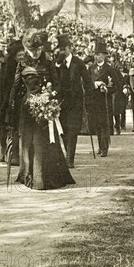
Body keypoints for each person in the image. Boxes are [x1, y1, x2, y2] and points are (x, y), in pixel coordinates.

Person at [16, 65, 74, 190]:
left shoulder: (47, 62)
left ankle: (40, 177)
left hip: (43, 106)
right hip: (34, 114)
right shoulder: (25, 95)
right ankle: (34, 175)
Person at [54, 34, 92, 168]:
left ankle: (70, 158)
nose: (62, 52)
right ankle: (67, 154)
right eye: (60, 49)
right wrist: (57, 66)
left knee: (73, 129)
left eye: (64, 49)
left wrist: (89, 98)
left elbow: (87, 81)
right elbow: (54, 81)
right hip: (62, 102)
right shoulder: (57, 63)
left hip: (75, 101)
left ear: (70, 48)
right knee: (63, 129)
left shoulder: (79, 63)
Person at [86, 38, 119, 157]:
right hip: (94, 100)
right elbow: (87, 83)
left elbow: (116, 85)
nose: (96, 57)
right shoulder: (91, 68)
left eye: (98, 55)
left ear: (104, 56)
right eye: (95, 55)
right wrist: (95, 85)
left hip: (105, 100)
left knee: (105, 124)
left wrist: (107, 89)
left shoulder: (109, 69)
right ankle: (100, 146)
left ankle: (105, 148)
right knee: (97, 124)